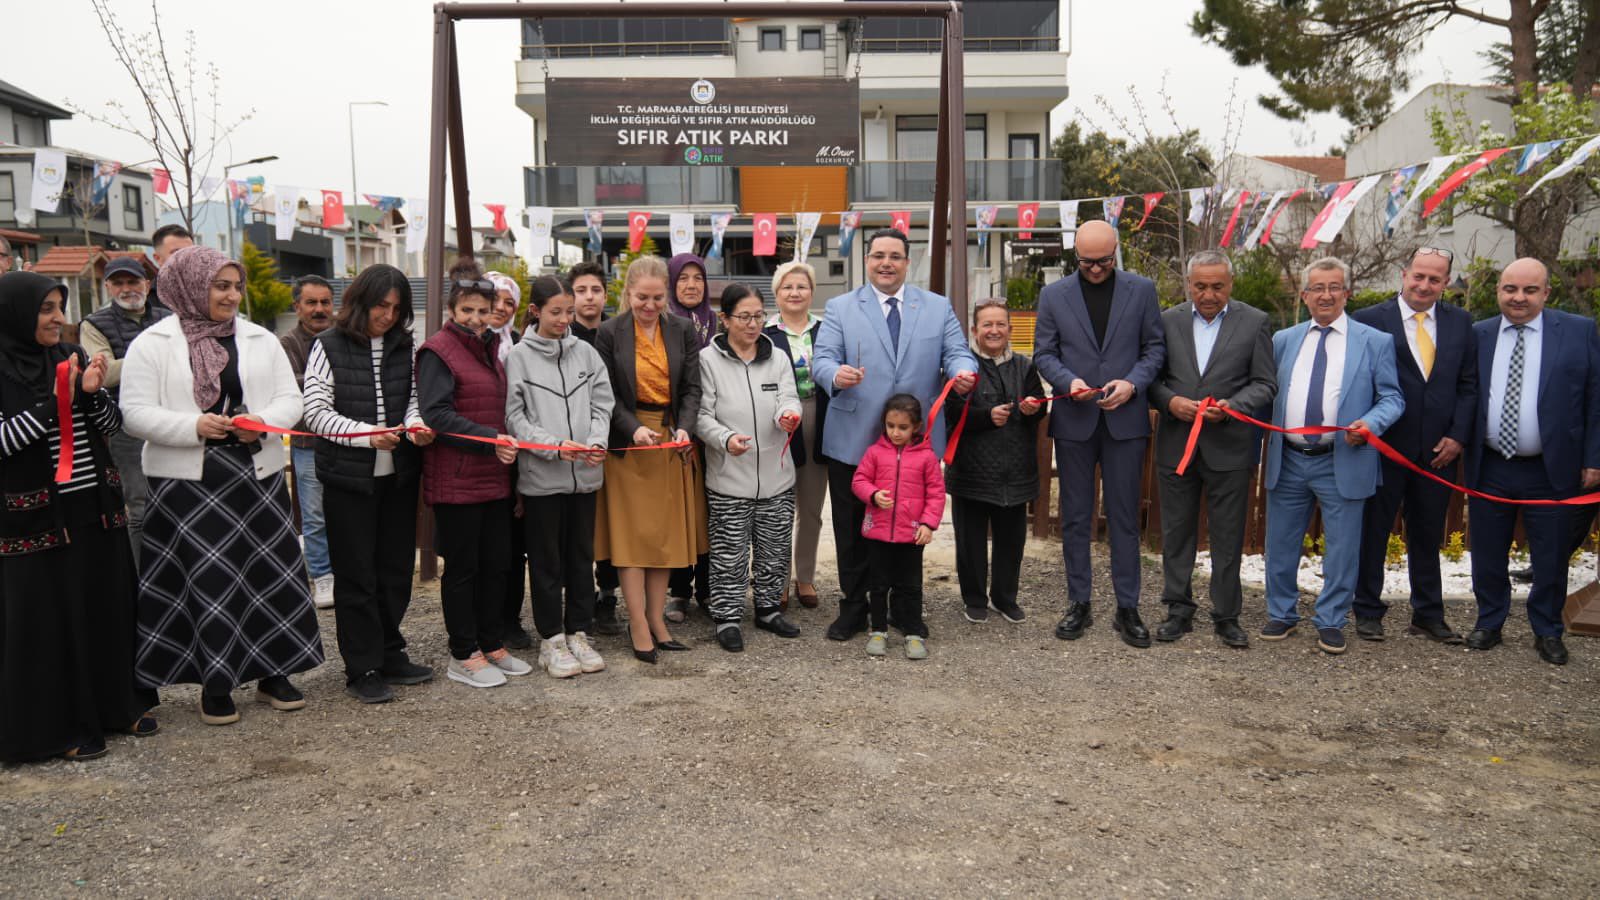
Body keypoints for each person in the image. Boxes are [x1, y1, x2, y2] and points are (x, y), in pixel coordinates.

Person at [121, 245, 322, 725]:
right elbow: (134, 413)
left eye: (236, 286)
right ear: (190, 286)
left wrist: (262, 421)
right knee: (207, 581)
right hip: (187, 483)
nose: (232, 296)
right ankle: (216, 681)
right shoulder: (152, 343)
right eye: (220, 286)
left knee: (268, 576)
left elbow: (289, 400)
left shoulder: (259, 338)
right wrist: (193, 427)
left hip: (257, 475)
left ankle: (275, 670)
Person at [0, 272, 156, 762]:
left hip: (94, 506)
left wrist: (89, 392)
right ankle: (56, 727)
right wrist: (56, 402)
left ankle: (116, 706)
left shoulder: (71, 358)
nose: (58, 319)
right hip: (35, 518)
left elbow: (113, 425)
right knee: (50, 622)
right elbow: (3, 442)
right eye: (46, 309)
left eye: (58, 307)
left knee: (104, 607)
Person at [811, 229, 976, 642]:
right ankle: (854, 607)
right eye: (879, 255)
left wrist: (961, 371)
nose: (887, 263)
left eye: (895, 256)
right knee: (851, 529)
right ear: (867, 261)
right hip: (853, 438)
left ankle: (905, 608)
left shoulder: (937, 308)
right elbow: (822, 359)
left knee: (906, 529)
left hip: (914, 445)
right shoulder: (841, 307)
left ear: (907, 262)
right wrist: (835, 374)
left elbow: (957, 352)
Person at [302, 264, 436, 704]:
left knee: (395, 570)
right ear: (361, 302)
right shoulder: (327, 345)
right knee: (356, 575)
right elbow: (316, 413)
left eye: (397, 308)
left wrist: (416, 427)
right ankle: (362, 666)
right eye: (382, 305)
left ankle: (390, 650)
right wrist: (364, 435)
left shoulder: (404, 344)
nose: (389, 316)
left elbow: (412, 401)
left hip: (397, 476)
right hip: (348, 479)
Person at [1033, 219, 1166, 648]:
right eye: (1088, 262)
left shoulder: (1141, 290)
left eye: (1104, 261)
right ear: (1076, 256)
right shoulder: (1054, 295)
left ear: (1115, 253)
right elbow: (1044, 353)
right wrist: (1068, 381)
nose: (1096, 269)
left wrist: (1133, 383)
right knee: (1075, 517)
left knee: (1125, 518)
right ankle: (1079, 603)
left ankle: (1128, 607)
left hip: (1125, 421)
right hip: (1075, 418)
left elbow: (1155, 349)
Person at [1262, 257, 1404, 655]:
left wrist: (1371, 424)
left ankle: (1330, 620)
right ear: (1305, 296)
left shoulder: (1374, 342)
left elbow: (1392, 398)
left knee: (1342, 547)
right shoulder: (1283, 340)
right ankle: (1282, 613)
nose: (1326, 295)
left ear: (1347, 293)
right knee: (1281, 541)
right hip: (1288, 458)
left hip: (1343, 457)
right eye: (1318, 288)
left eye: (1334, 287)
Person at [1465, 257, 1600, 666]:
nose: (1518, 298)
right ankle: (1490, 622)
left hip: (1552, 466)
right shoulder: (1479, 335)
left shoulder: (1579, 332)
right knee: (1487, 552)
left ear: (1546, 293)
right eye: (1510, 289)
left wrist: (1594, 457)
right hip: (1490, 465)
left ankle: (1547, 630)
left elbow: (1596, 399)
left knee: (1551, 555)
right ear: (1499, 292)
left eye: (1529, 290)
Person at [1147, 252, 1277, 648]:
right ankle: (1178, 609)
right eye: (1200, 286)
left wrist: (1233, 407)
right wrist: (1169, 402)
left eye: (1217, 286)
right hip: (1176, 445)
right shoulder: (1167, 321)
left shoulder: (1254, 322)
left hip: (1230, 448)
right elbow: (1151, 378)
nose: (1208, 294)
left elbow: (1266, 383)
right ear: (1188, 284)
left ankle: (1226, 615)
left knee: (1227, 535)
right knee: (1176, 532)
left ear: (1230, 284)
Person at [1350, 247, 1479, 643]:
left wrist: (1458, 436)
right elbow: (1359, 383)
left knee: (1426, 534)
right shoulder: (1369, 320)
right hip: (1384, 448)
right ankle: (1367, 610)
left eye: (1435, 279)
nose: (1424, 285)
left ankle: (1427, 614)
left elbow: (1468, 386)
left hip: (1438, 453)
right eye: (1418, 276)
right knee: (1373, 531)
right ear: (1403, 274)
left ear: (1446, 283)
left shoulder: (1461, 324)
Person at [417, 262, 532, 688]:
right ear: (451, 309)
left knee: (496, 564)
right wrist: (490, 438)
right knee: (463, 569)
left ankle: (491, 641)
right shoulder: (437, 351)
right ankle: (462, 652)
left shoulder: (490, 350)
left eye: (483, 311)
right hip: (457, 479)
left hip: (493, 479)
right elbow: (437, 414)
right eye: (467, 310)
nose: (476, 319)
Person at [593, 255, 707, 664]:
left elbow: (692, 388)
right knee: (632, 538)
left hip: (669, 437)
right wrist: (630, 427)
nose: (650, 305)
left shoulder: (681, 330)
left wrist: (685, 428)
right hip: (628, 442)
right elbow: (604, 392)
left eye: (658, 297)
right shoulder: (609, 332)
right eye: (642, 297)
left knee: (663, 537)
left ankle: (658, 620)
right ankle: (637, 622)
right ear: (628, 293)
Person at [505, 275, 614, 678]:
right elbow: (515, 417)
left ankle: (579, 632)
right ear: (535, 311)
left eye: (569, 311)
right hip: (542, 477)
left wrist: (597, 440)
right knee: (547, 562)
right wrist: (555, 446)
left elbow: (603, 401)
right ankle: (550, 639)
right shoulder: (518, 357)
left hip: (586, 475)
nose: (565, 319)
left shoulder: (585, 352)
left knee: (581, 557)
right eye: (556, 312)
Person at [697, 283, 804, 652]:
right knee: (729, 553)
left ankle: (769, 608)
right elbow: (701, 416)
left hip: (776, 473)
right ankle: (727, 616)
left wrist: (789, 414)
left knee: (774, 548)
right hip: (729, 475)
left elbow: (788, 395)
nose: (753, 324)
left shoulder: (777, 357)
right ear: (724, 319)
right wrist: (725, 438)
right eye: (744, 317)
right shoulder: (708, 361)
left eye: (758, 316)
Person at [944, 298, 1046, 625]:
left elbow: (1038, 406)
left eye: (1000, 324)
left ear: (1010, 330)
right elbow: (953, 413)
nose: (994, 330)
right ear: (974, 331)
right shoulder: (963, 369)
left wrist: (1034, 409)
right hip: (971, 468)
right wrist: (986, 417)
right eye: (987, 324)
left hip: (1015, 469)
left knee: (1011, 541)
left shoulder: (1025, 366)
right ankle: (974, 598)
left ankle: (1005, 597)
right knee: (970, 540)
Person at [78, 256, 171, 562]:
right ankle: (143, 581)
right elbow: (103, 373)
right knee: (140, 506)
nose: (127, 288)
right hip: (126, 424)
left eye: (133, 281)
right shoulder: (93, 324)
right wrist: (155, 357)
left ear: (146, 283)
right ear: (107, 287)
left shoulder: (168, 316)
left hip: (173, 419)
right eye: (118, 283)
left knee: (177, 500)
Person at [852, 393, 945, 659]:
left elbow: (936, 494)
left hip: (912, 535)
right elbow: (858, 481)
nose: (895, 432)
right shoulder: (874, 453)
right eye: (890, 426)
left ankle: (913, 633)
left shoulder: (928, 458)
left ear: (916, 427)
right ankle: (878, 630)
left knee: (911, 586)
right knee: (878, 585)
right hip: (878, 534)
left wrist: (928, 524)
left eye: (903, 427)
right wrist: (872, 494)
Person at [764, 260, 828, 610]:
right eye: (787, 286)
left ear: (811, 292)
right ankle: (778, 579)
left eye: (801, 286)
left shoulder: (826, 330)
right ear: (777, 293)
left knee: (812, 508)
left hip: (819, 415)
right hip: (777, 420)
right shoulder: (765, 332)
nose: (795, 292)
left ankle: (805, 577)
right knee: (779, 507)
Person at [567, 260, 622, 635]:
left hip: (613, 441)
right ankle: (577, 602)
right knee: (577, 529)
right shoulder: (560, 334)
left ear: (606, 295)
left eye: (596, 290)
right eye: (581, 290)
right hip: (570, 444)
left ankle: (608, 596)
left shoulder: (618, 332)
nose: (589, 297)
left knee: (610, 525)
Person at [278, 274, 336, 608]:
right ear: (297, 306)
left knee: (346, 511)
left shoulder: (346, 335)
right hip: (307, 444)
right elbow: (291, 386)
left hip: (348, 440)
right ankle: (322, 576)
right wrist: (335, 380)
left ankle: (345, 570)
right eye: (311, 303)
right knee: (314, 515)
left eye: (324, 302)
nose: (319, 309)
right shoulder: (286, 343)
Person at [664, 252, 713, 623]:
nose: (691, 285)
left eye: (698, 278)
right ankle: (678, 591)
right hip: (675, 429)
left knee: (712, 510)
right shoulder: (664, 323)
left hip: (713, 434)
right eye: (683, 278)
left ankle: (709, 588)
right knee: (680, 511)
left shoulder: (718, 322)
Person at [486, 270, 534, 649]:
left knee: (515, 546)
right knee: (483, 546)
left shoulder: (517, 346)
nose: (500, 308)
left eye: (509, 303)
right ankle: (480, 620)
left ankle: (510, 619)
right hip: (478, 455)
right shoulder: (462, 342)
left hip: (516, 456)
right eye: (494, 299)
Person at [146, 224, 195, 312]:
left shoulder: (207, 292)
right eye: (176, 253)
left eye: (189, 252)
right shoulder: (146, 300)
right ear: (158, 258)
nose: (185, 257)